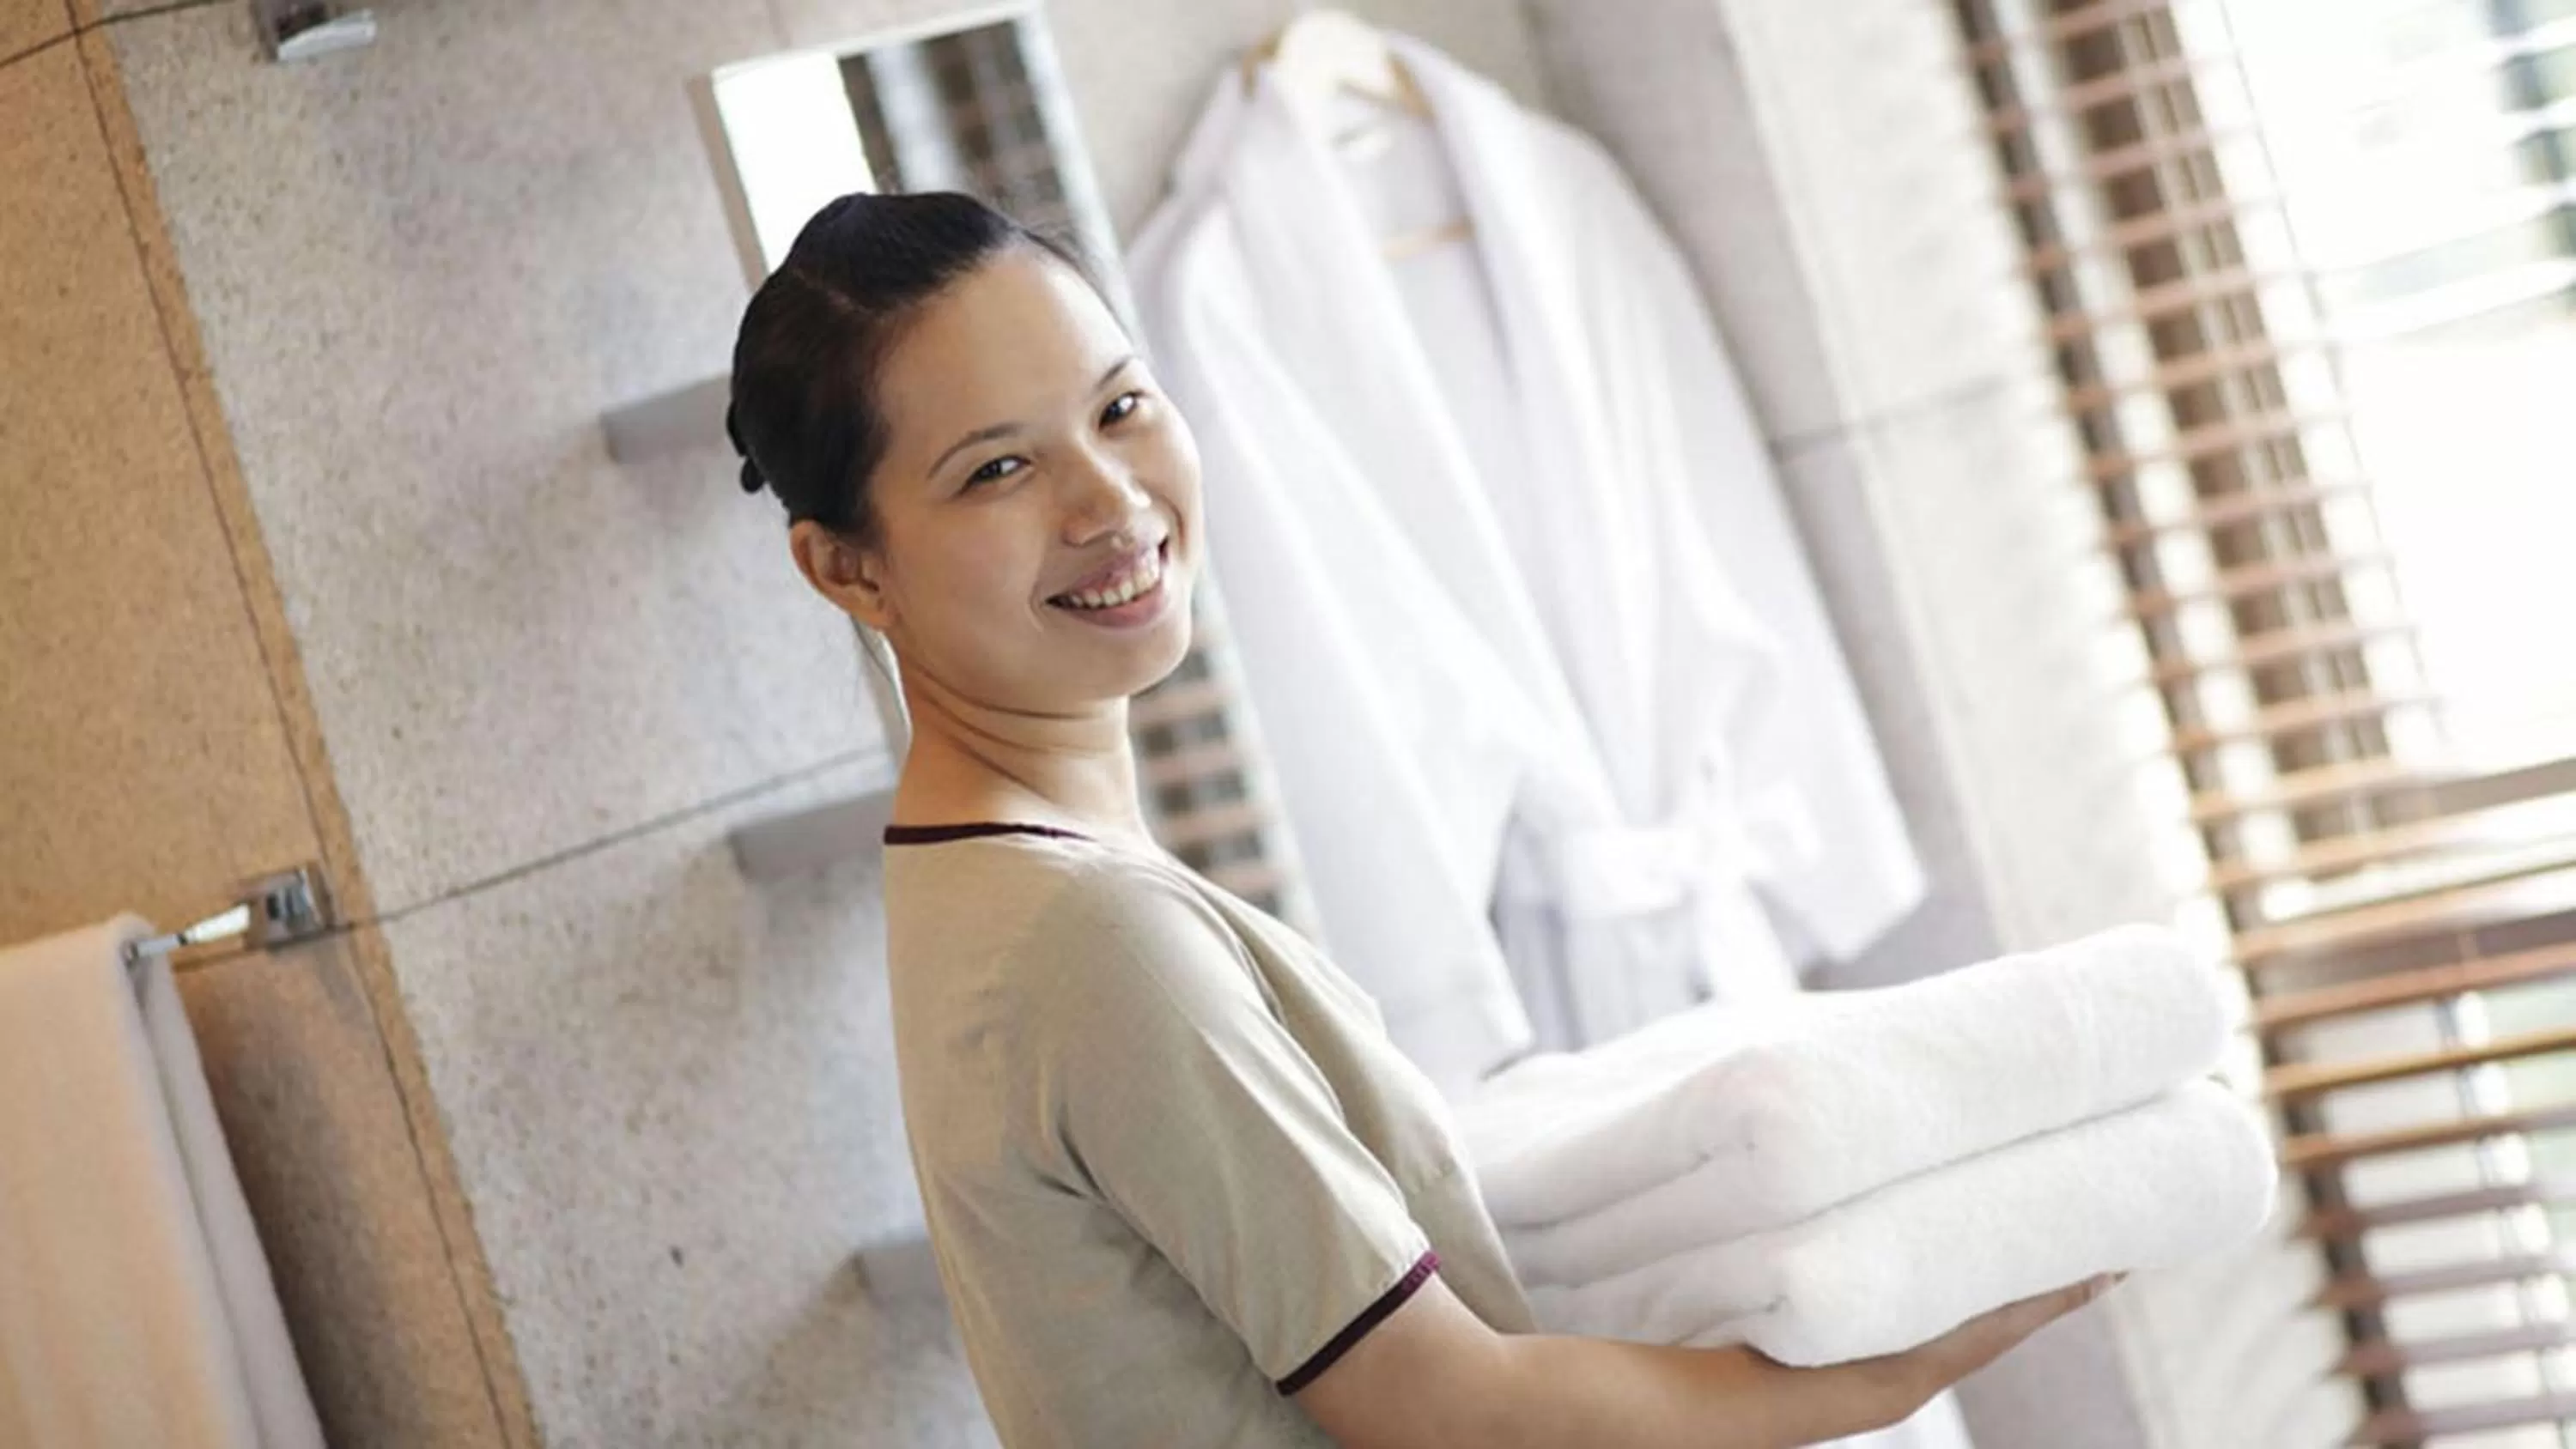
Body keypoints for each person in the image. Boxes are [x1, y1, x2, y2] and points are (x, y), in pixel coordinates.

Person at [727, 189, 2115, 1449]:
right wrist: (1883, 1373)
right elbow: (1442, 1408)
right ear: (847, 569)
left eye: (1120, 406)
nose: (1110, 498)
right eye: (996, 471)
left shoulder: (988, 885)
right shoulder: (1094, 934)